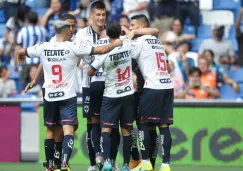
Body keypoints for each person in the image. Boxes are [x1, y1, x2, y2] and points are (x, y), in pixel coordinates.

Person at [18, 20, 122, 171]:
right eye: (70, 29)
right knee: (68, 129)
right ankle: (65, 163)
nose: (72, 31)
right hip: (67, 95)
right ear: (66, 31)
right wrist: (116, 43)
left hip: (50, 96)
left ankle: (50, 166)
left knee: (50, 130)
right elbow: (101, 50)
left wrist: (19, 56)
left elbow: (21, 51)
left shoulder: (43, 47)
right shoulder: (72, 47)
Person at [23, 13, 80, 171]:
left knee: (61, 128)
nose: (71, 28)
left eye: (73, 25)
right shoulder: (63, 43)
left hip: (56, 90)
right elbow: (44, 62)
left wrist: (35, 78)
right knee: (59, 128)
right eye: (69, 25)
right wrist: (35, 79)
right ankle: (56, 162)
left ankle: (54, 162)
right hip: (60, 89)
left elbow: (41, 58)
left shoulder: (56, 44)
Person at [129, 14, 173, 171]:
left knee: (143, 123)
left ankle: (146, 163)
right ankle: (166, 165)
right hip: (167, 86)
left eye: (132, 25)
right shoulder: (159, 43)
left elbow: (125, 54)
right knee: (164, 126)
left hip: (152, 86)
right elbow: (168, 67)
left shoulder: (140, 41)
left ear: (141, 27)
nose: (130, 28)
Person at [88, 21, 134, 171]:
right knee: (126, 130)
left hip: (111, 95)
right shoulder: (128, 44)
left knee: (106, 129)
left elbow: (90, 71)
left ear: (107, 34)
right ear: (120, 32)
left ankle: (107, 162)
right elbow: (131, 35)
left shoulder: (105, 50)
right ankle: (126, 165)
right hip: (128, 94)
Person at [75, 2, 111, 171]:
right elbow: (76, 58)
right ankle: (93, 162)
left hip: (111, 84)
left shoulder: (111, 32)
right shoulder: (82, 35)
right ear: (91, 16)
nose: (101, 18)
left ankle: (110, 161)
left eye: (103, 15)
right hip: (90, 84)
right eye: (98, 15)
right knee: (92, 122)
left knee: (111, 123)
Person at [14, 11, 47, 90]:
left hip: (26, 62)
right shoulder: (43, 30)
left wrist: (16, 63)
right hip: (40, 63)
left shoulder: (23, 31)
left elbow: (18, 48)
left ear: (27, 19)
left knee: (23, 87)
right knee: (42, 86)